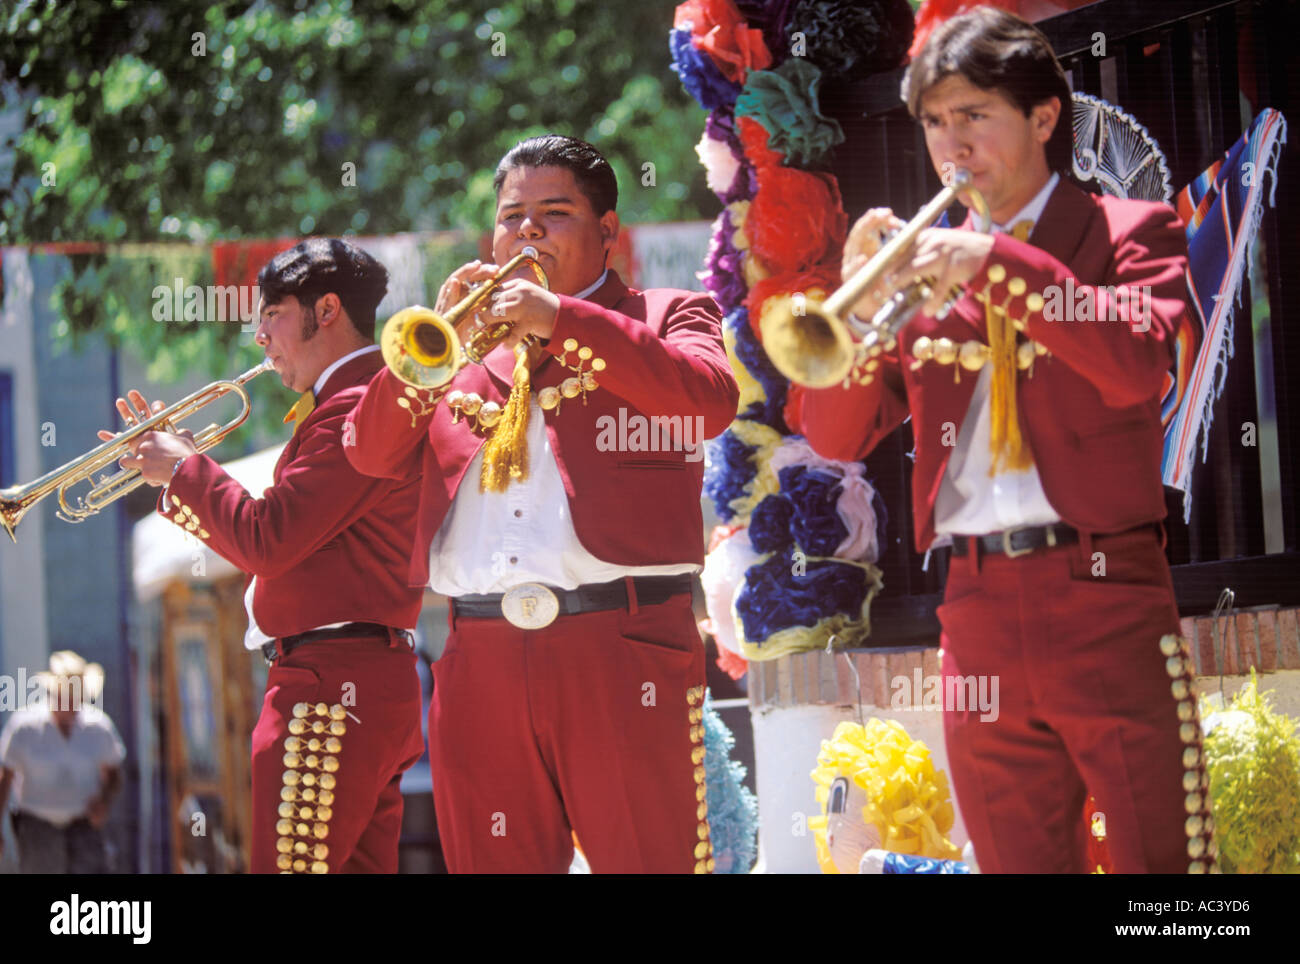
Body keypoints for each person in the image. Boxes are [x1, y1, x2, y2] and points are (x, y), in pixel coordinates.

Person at [788, 7, 1206, 873]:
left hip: (1108, 595)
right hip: (976, 607)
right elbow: (830, 434)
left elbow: (1136, 367)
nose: (951, 147)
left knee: (1165, 881)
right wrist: (857, 307)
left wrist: (993, 264)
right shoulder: (926, 268)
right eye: (935, 124)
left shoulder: (1131, 232)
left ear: (1043, 117)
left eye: (973, 115)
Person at [346, 134, 739, 873]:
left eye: (553, 214)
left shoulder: (666, 313)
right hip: (479, 655)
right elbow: (367, 453)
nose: (525, 232)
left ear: (609, 232)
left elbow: (708, 403)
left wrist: (558, 317)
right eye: (511, 216)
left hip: (622, 648)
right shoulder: (457, 350)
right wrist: (437, 345)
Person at [103, 238, 425, 873]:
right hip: (353, 680)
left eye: (271, 313)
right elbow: (274, 545)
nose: (259, 337)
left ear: (325, 309)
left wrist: (187, 471)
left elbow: (266, 540)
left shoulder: (350, 411)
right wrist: (184, 473)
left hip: (328, 687)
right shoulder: (353, 406)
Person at [0, 651, 124, 873]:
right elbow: (5, 777)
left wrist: (103, 800)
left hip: (83, 826)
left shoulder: (98, 727)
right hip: (37, 827)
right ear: (54, 692)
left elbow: (114, 774)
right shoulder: (25, 727)